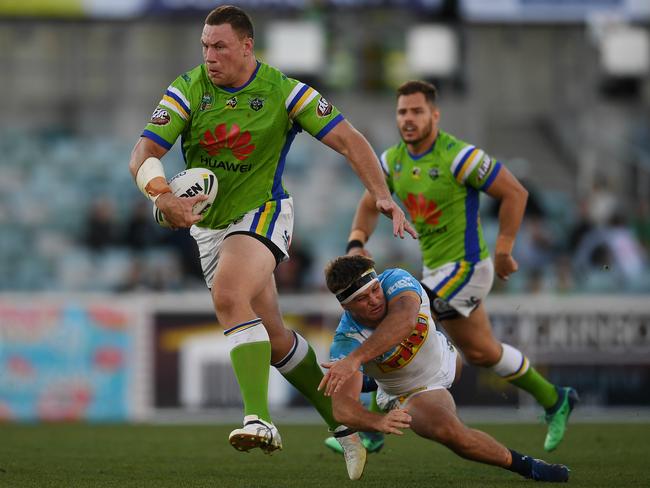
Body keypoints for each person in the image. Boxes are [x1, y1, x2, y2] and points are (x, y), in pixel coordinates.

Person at [127, 4, 414, 476]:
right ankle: (346, 427)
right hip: (209, 226)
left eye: (219, 46)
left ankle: (259, 419)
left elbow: (349, 139)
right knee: (277, 339)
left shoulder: (284, 92)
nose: (209, 56)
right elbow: (143, 152)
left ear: (246, 46)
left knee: (229, 295)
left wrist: (380, 194)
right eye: (204, 45)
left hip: (264, 212)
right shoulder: (188, 88)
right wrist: (162, 194)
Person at [339, 80, 577, 453]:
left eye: (417, 111)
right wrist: (357, 239)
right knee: (482, 352)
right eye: (402, 112)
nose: (408, 119)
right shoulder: (392, 161)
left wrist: (503, 249)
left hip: (468, 267)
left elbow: (515, 192)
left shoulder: (458, 156)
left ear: (434, 114)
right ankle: (555, 398)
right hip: (436, 270)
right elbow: (372, 202)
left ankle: (371, 432)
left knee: (401, 317)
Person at [319, 255, 570, 483]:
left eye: (374, 290)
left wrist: (356, 360)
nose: (374, 300)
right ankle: (530, 467)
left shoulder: (395, 279)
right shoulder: (346, 341)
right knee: (452, 433)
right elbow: (342, 410)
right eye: (362, 299)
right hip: (413, 391)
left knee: (482, 352)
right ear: (346, 307)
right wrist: (379, 421)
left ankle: (374, 385)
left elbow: (404, 321)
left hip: (447, 355)